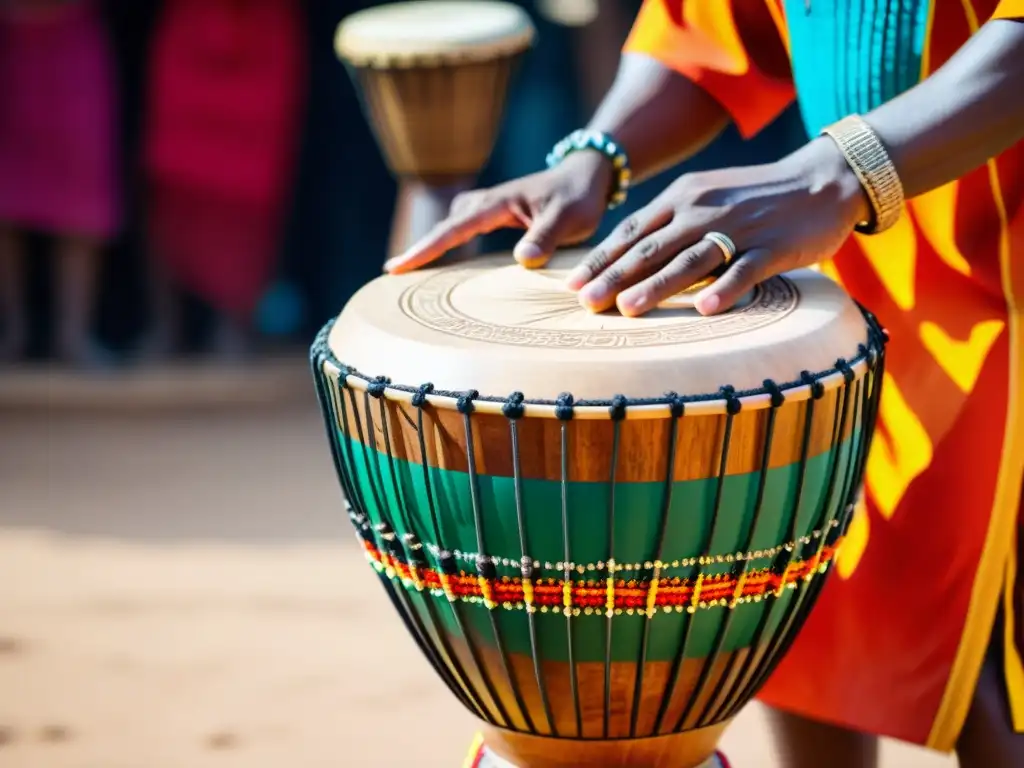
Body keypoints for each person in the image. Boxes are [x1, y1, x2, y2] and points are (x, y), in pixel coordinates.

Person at [385, 1, 1024, 766]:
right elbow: (720, 22)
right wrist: (596, 154)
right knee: (800, 617)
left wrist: (834, 173)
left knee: (1001, 665)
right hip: (870, 271)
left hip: (996, 263)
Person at [140, 0, 306, 362]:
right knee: (174, 185)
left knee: (247, 193)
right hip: (191, 29)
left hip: (262, 33)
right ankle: (165, 325)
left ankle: (233, 326)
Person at [0, 0, 120, 367]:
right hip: (10, 43)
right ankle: (13, 330)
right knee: (6, 189)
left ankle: (73, 334)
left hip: (72, 33)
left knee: (82, 188)